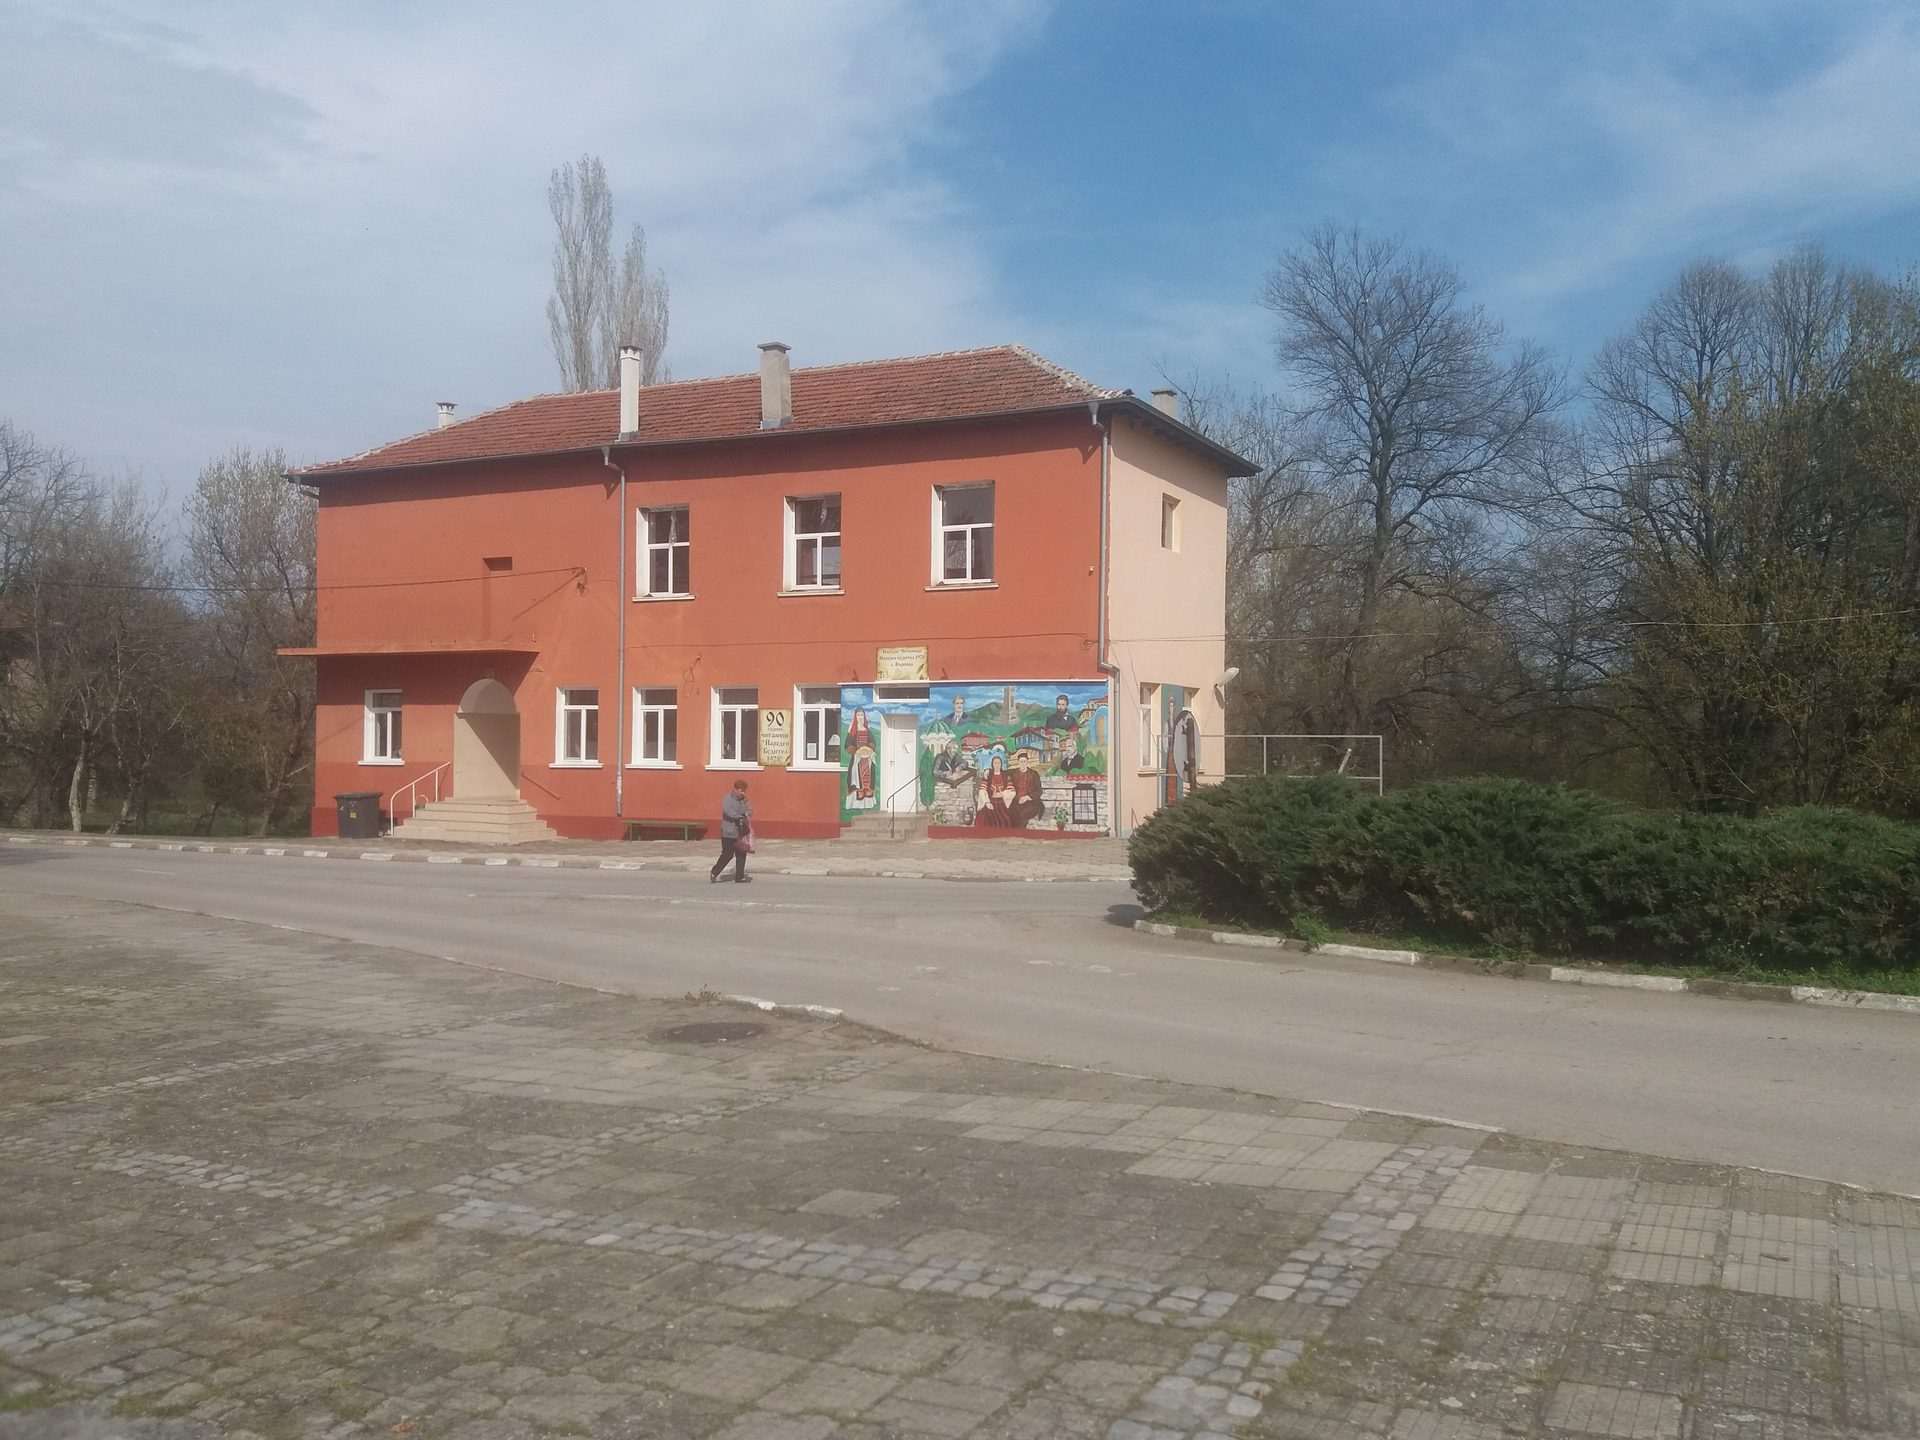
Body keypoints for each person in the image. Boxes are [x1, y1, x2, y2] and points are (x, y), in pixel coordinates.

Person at [710, 778, 753, 884]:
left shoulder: (744, 800)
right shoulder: (728, 799)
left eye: (744, 791)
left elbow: (749, 809)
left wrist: (748, 813)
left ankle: (739, 877)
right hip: (728, 832)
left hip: (741, 832)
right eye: (741, 791)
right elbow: (728, 812)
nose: (743, 793)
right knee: (727, 854)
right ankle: (714, 872)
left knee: (741, 853)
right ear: (735, 789)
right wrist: (740, 816)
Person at [1008, 748, 1046, 827]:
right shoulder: (1013, 773)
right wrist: (988, 771)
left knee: (1022, 815)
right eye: (1021, 761)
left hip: (1031, 802)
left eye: (1024, 761)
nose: (1023, 763)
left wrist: (1027, 797)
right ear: (1018, 762)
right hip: (1016, 801)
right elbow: (1000, 772)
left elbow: (1039, 791)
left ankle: (1021, 832)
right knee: (1011, 814)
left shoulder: (1034, 774)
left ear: (1027, 762)